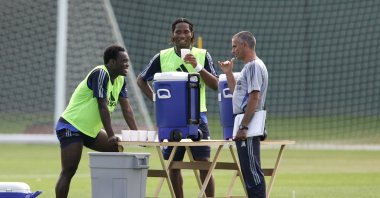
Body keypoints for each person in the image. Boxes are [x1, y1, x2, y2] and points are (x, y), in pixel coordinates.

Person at [137, 18, 218, 198]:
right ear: (172, 36)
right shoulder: (162, 56)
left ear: (192, 36)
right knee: (173, 163)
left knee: (204, 162)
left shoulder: (203, 55)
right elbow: (141, 79)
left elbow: (216, 85)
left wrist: (197, 66)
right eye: (178, 32)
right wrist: (156, 100)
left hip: (198, 118)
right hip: (171, 120)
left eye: (186, 32)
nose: (182, 35)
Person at [55, 44, 138, 198]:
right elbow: (102, 104)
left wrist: (137, 134)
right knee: (69, 170)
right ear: (112, 62)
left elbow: (127, 109)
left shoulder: (120, 80)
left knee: (116, 150)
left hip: (89, 130)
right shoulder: (100, 73)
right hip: (71, 126)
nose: (127, 64)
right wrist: (111, 134)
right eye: (123, 61)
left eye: (128, 61)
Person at [218, 31, 268, 198]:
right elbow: (237, 95)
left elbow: (255, 97)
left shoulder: (254, 65)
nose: (233, 50)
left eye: (235, 46)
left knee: (252, 173)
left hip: (249, 124)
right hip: (244, 121)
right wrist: (228, 73)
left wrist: (244, 126)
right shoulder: (248, 67)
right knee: (248, 171)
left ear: (245, 45)